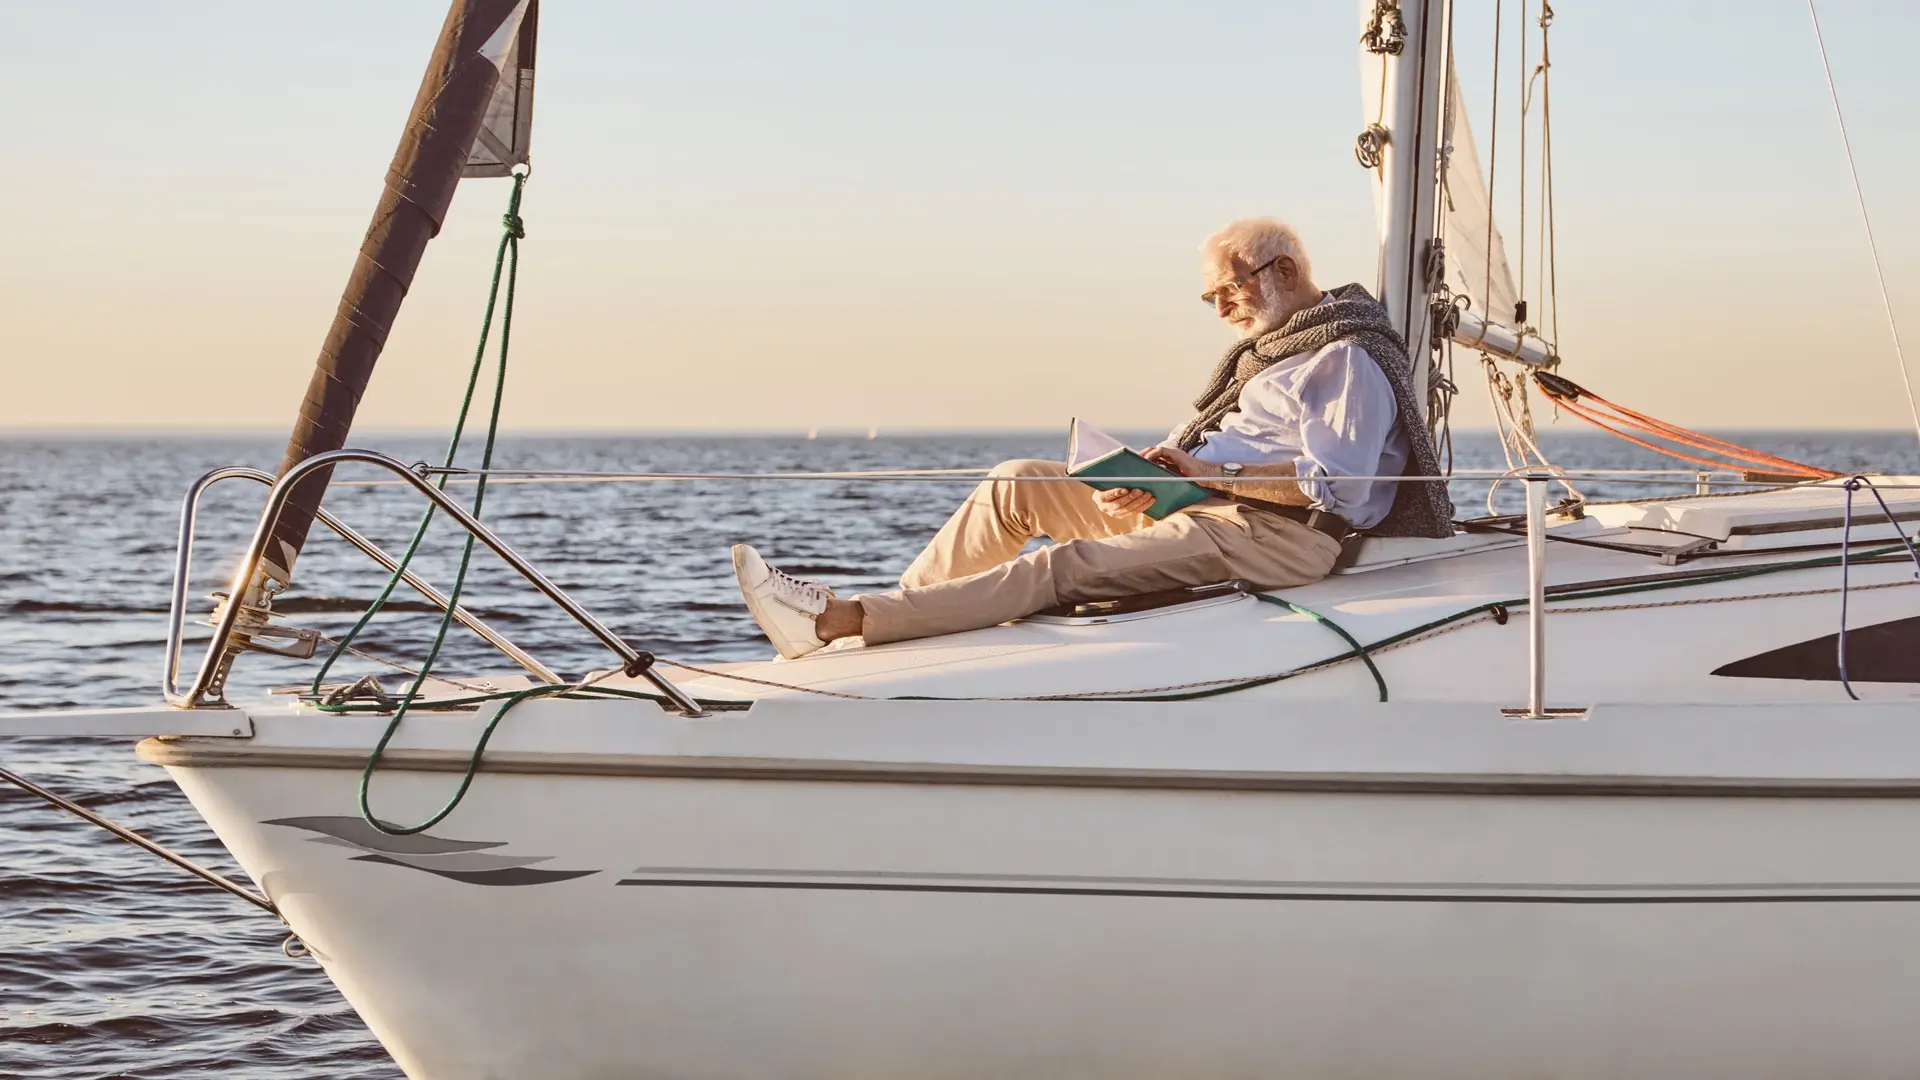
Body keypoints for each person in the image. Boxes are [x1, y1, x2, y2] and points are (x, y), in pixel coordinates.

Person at [731, 216, 1455, 659]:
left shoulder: (1343, 357)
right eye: (1210, 298)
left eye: (1229, 290)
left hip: (1283, 534)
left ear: (1286, 270)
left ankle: (837, 622)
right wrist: (1156, 474)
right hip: (1208, 503)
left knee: (1066, 567)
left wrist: (1205, 477)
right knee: (1019, 483)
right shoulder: (1271, 352)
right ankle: (908, 615)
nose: (1221, 308)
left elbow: (1335, 487)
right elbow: (1215, 452)